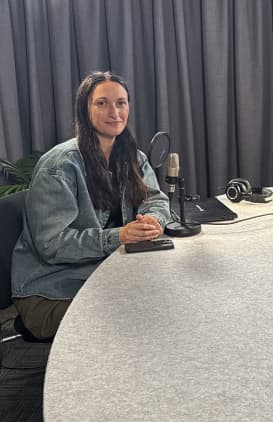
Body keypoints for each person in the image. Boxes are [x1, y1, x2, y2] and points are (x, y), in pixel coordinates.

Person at [11, 71, 171, 339]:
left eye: (121, 103)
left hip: (102, 275)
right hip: (50, 291)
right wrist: (118, 236)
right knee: (136, 319)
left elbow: (155, 200)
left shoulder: (132, 156)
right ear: (84, 109)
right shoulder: (59, 166)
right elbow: (53, 244)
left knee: (166, 298)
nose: (114, 112)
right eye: (102, 103)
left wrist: (152, 221)